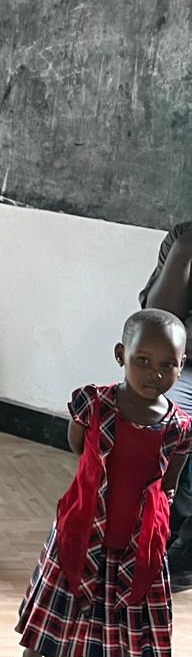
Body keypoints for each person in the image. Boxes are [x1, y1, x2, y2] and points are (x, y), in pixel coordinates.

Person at [0, 308, 192, 657]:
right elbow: (79, 446)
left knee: (112, 618)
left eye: (168, 365)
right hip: (82, 527)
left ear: (182, 365)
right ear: (121, 355)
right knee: (58, 603)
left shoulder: (179, 428)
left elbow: (168, 483)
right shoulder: (93, 403)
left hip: (135, 542)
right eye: (143, 360)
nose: (155, 373)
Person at [140, 224, 192, 587]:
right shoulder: (182, 236)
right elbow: (157, 324)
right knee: (158, 410)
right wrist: (185, 251)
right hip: (184, 367)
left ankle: (185, 542)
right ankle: (152, 529)